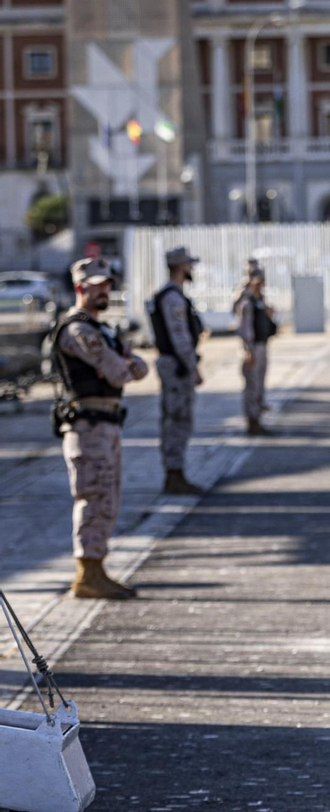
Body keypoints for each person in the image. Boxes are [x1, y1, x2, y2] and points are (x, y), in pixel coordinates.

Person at [51, 258, 149, 599]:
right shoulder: (78, 330)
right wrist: (122, 364)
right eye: (97, 284)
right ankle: (87, 574)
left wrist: (123, 364)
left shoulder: (102, 330)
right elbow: (123, 371)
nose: (104, 289)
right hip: (87, 424)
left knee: (108, 497)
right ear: (80, 287)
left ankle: (96, 568)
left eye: (108, 283)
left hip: (106, 422)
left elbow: (139, 368)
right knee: (93, 497)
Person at [149, 246, 205, 494]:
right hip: (177, 367)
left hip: (175, 364)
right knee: (177, 419)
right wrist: (192, 367)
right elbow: (179, 337)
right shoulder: (171, 297)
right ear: (181, 266)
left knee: (177, 419)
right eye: (189, 265)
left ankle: (176, 472)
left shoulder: (172, 294)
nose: (191, 269)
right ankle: (174, 474)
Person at [233, 261, 277, 436]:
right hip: (252, 349)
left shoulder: (259, 299)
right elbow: (244, 328)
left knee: (259, 385)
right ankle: (252, 421)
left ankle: (257, 418)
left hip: (262, 345)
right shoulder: (247, 300)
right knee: (252, 386)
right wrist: (248, 350)